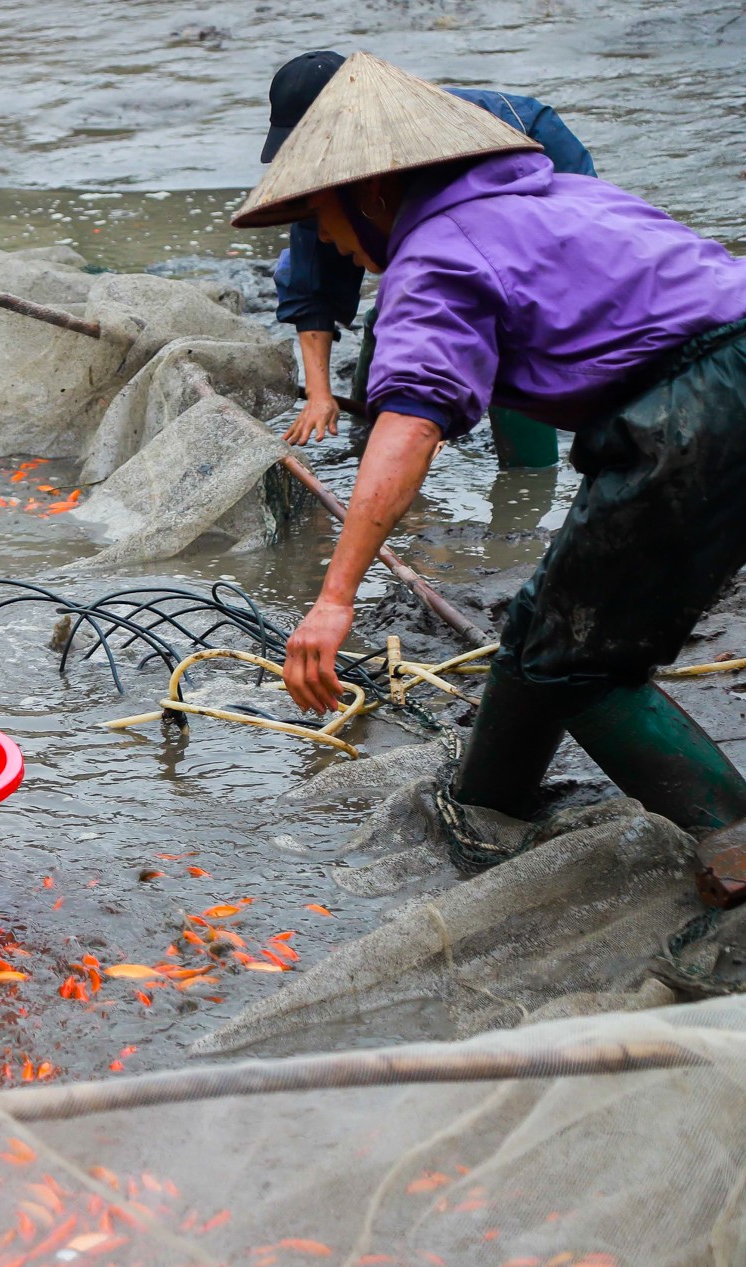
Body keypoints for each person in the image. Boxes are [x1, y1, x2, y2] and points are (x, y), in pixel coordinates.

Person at [232, 54, 746, 902]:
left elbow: (409, 430)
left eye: (323, 214)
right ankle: (486, 806)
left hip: (701, 407)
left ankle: (730, 830)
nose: (325, 241)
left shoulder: (433, 256)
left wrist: (334, 596)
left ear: (372, 194)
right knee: (544, 629)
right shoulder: (562, 196)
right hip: (712, 378)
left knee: (575, 662)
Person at [263, 50, 595, 469]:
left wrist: (427, 419)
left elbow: (464, 286)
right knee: (393, 313)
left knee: (511, 331)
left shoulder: (459, 137)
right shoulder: (322, 177)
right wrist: (320, 394)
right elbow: (313, 283)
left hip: (527, 170)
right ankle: (374, 437)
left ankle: (529, 478)